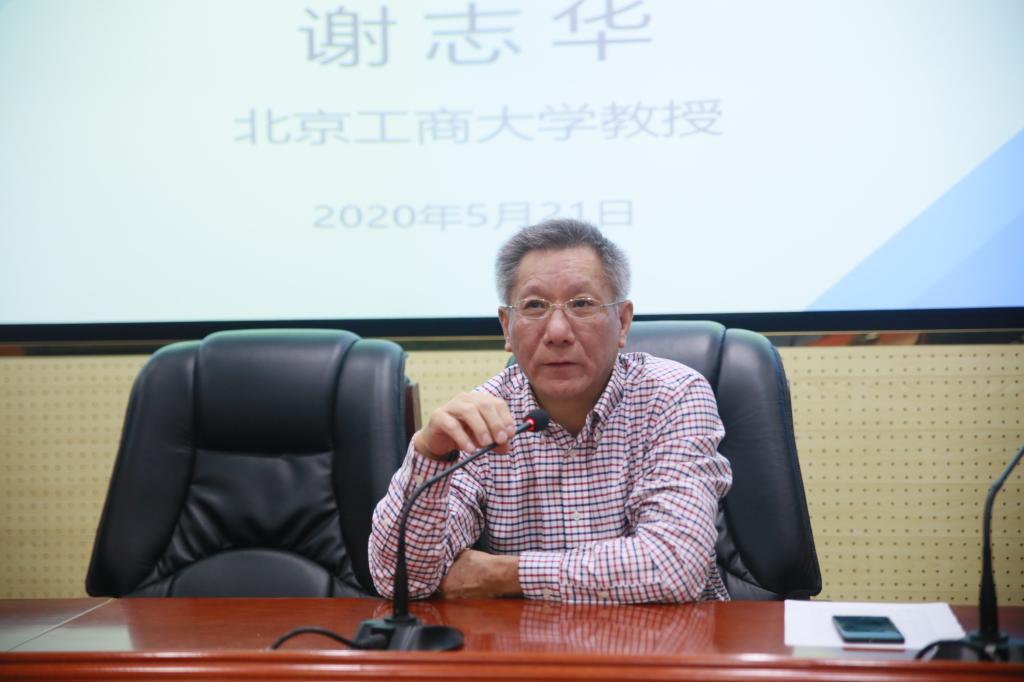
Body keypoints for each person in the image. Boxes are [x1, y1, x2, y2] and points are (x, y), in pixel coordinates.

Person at [368, 219, 732, 603]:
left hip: (672, 637)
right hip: (528, 639)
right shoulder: (485, 420)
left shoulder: (672, 396)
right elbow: (400, 581)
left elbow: (674, 566)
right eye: (535, 306)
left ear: (623, 322)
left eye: (582, 304)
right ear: (507, 327)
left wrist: (502, 574)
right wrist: (430, 454)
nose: (557, 331)